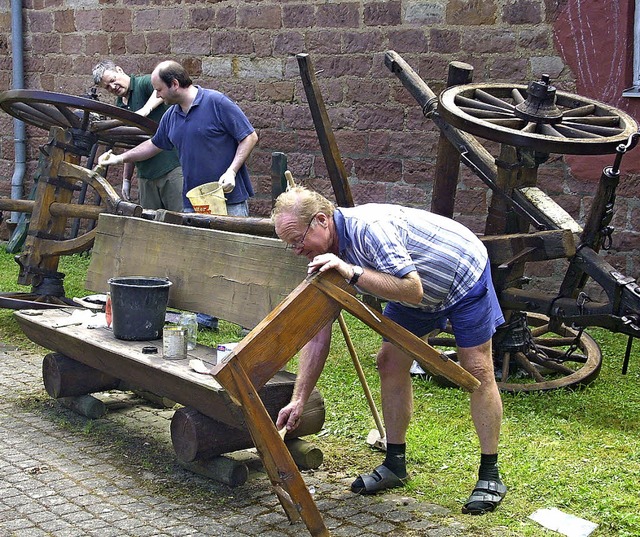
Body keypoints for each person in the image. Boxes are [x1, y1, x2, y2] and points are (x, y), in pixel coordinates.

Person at [272, 186, 507, 515]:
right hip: (413, 289)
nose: (296, 250)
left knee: (477, 370)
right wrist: (299, 398)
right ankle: (395, 464)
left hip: (460, 274)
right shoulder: (321, 258)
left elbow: (412, 289)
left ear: (321, 221)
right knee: (389, 362)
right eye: (289, 245)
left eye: (297, 240)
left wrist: (350, 271)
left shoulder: (369, 231)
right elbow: (316, 334)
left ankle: (490, 474)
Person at [98, 60, 258, 216]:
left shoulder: (216, 102)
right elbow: (153, 145)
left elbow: (249, 137)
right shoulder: (170, 116)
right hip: (194, 204)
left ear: (174, 84)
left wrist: (232, 171)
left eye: (159, 90)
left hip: (228, 199)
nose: (157, 95)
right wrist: (119, 158)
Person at [92, 60, 184, 212]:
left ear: (119, 69)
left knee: (180, 218)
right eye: (107, 87)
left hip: (171, 166)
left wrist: (146, 109)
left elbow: (162, 89)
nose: (113, 87)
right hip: (146, 175)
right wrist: (126, 179)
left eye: (113, 80)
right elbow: (131, 142)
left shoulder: (143, 83)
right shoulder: (120, 106)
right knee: (150, 225)